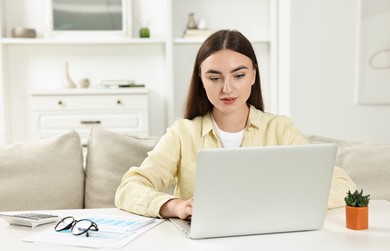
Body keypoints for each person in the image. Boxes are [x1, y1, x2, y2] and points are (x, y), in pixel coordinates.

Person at [115, 29, 357, 219]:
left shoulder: (280, 130)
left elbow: (343, 186)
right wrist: (175, 205)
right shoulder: (182, 133)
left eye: (239, 75)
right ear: (200, 79)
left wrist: (279, 199)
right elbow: (129, 189)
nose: (227, 88)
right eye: (214, 77)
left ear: (253, 75)